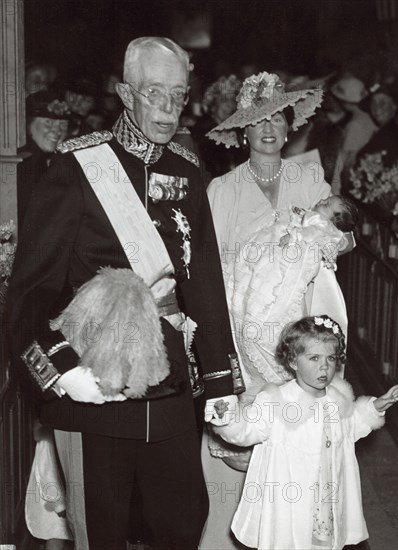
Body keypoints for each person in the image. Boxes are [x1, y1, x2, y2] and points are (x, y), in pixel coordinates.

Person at [6, 36, 242, 550]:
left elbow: (203, 280)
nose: (168, 107)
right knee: (103, 531)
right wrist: (61, 370)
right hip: (97, 386)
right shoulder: (74, 169)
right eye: (154, 92)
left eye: (178, 95)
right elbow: (29, 293)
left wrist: (221, 381)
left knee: (182, 522)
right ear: (125, 93)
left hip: (173, 384)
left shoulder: (187, 170)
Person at [200, 71, 353, 550]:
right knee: (243, 441)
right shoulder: (221, 190)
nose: (267, 128)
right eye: (256, 120)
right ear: (242, 132)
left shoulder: (310, 178)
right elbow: (210, 271)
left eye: (277, 119)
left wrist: (310, 240)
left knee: (302, 448)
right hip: (242, 328)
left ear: (290, 127)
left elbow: (339, 238)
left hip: (303, 331)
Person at [209, 315, 398, 550]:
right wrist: (224, 417)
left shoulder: (337, 397)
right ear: (293, 361)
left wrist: (373, 408)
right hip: (290, 498)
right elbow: (244, 431)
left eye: (330, 358)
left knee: (324, 541)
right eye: (314, 358)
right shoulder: (275, 401)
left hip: (327, 494)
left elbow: (349, 428)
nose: (324, 367)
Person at [223, 195, 359, 390]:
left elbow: (314, 233)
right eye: (325, 199)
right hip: (272, 253)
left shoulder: (321, 224)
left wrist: (296, 235)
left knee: (270, 293)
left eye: (327, 204)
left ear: (335, 220)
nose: (321, 200)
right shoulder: (310, 216)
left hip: (287, 261)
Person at [18, 90, 71, 228]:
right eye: (48, 122)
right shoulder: (23, 164)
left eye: (63, 125)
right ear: (28, 124)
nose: (57, 131)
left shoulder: (46, 161)